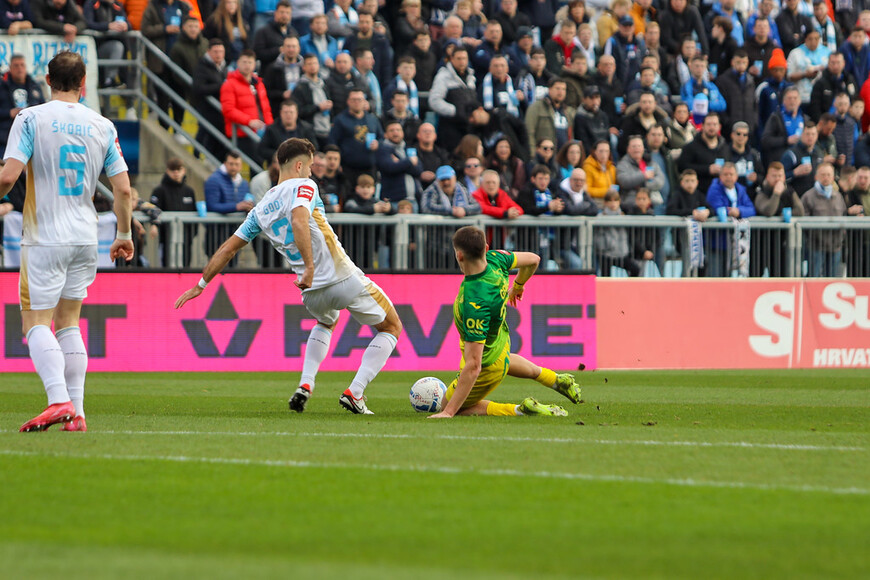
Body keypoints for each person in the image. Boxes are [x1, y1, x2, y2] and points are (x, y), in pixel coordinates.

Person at [176, 138, 403, 415]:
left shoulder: (260, 208)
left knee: (326, 322)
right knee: (392, 327)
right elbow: (298, 219)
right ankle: (355, 392)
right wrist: (310, 266)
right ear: (298, 165)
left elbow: (228, 248)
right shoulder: (305, 186)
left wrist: (201, 284)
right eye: (309, 166)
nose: (312, 171)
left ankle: (306, 384)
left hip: (311, 293)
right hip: (341, 276)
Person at [0, 52, 133, 432]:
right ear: (84, 81)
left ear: (46, 80)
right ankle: (77, 412)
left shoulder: (31, 118)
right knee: (69, 322)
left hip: (45, 236)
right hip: (85, 237)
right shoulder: (102, 124)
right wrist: (123, 234)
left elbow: (8, 178)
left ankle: (58, 400)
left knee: (35, 323)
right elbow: (123, 189)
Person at [428, 226, 581, 418]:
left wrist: (449, 412)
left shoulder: (475, 300)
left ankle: (521, 410)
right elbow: (534, 259)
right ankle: (556, 380)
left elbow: (474, 365)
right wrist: (518, 285)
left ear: (459, 255)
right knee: (503, 358)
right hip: (500, 340)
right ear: (485, 247)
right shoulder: (496, 259)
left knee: (448, 404)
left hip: (487, 364)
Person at [220, 49, 272, 164]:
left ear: (254, 64)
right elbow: (228, 110)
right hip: (243, 132)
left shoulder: (258, 83)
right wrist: (249, 121)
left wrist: (270, 126)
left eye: (250, 62)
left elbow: (265, 108)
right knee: (256, 162)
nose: (247, 65)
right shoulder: (229, 84)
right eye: (244, 62)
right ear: (238, 63)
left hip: (263, 130)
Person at [801, 162, 853, 276]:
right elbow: (803, 221)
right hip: (816, 246)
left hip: (835, 246)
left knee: (832, 281)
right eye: (823, 175)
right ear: (816, 177)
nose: (826, 177)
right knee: (813, 278)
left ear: (833, 177)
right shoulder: (808, 196)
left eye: (829, 175)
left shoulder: (838, 196)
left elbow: (843, 214)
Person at [328, 88, 382, 185]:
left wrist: (378, 144)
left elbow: (382, 138)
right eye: (354, 100)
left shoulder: (372, 119)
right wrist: (337, 163)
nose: (357, 102)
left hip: (369, 167)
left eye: (359, 100)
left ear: (364, 102)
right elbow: (332, 142)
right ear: (348, 101)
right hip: (348, 168)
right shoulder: (340, 120)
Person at [0, 54, 44, 156]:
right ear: (10, 68)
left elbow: (44, 109)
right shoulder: (2, 86)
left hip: (30, 140)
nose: (19, 68)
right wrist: (9, 113)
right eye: (16, 65)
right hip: (4, 142)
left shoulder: (35, 86)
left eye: (22, 65)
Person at [192, 39, 228, 160]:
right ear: (208, 52)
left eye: (221, 51)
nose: (218, 54)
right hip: (206, 108)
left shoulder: (224, 67)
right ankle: (196, 155)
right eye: (215, 51)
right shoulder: (202, 66)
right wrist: (220, 86)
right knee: (204, 132)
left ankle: (214, 160)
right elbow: (198, 88)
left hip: (219, 110)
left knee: (218, 138)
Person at [376, 119, 423, 210]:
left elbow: (418, 170)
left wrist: (400, 163)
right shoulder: (383, 150)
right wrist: (409, 162)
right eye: (392, 130)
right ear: (385, 134)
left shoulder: (408, 149)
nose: (395, 133)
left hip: (412, 200)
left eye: (398, 130)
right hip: (394, 200)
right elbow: (390, 167)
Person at [678, 112, 729, 196]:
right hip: (698, 193)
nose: (711, 127)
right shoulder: (691, 147)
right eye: (708, 124)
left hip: (721, 193)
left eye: (714, 124)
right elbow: (682, 167)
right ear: (702, 126)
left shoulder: (725, 147)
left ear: (719, 127)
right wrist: (707, 169)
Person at [524, 78, 574, 156]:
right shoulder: (536, 107)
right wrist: (532, 154)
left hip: (563, 158)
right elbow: (529, 132)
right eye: (557, 88)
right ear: (549, 89)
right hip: (544, 156)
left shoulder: (568, 111)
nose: (560, 92)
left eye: (563, 89)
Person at [291, 53, 332, 147]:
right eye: (309, 64)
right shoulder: (299, 88)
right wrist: (318, 107)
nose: (313, 66)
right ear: (304, 67)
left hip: (326, 130)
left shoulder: (324, 85)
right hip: (311, 132)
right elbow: (299, 111)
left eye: (315, 63)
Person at [263, 36, 304, 115]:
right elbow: (266, 91)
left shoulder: (304, 67)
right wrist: (281, 94)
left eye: (293, 46)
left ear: (298, 48)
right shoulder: (273, 68)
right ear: (283, 48)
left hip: (301, 111)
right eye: (288, 46)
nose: (291, 49)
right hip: (279, 111)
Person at [203, 0, 250, 65]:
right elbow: (207, 40)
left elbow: (246, 43)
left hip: (241, 61)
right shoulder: (214, 21)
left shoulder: (242, 22)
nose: (231, 5)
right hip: (225, 61)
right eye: (229, 2)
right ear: (222, 4)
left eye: (234, 3)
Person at [252, 0, 295, 65]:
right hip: (268, 71)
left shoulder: (293, 33)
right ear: (275, 13)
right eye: (282, 12)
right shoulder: (263, 32)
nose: (284, 15)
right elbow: (257, 53)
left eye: (287, 13)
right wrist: (278, 50)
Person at [726, 121, 762, 191]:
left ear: (747, 137)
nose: (741, 137)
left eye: (744, 135)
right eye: (738, 134)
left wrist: (756, 178)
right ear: (732, 135)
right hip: (730, 193)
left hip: (750, 194)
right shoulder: (725, 152)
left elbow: (762, 175)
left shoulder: (753, 154)